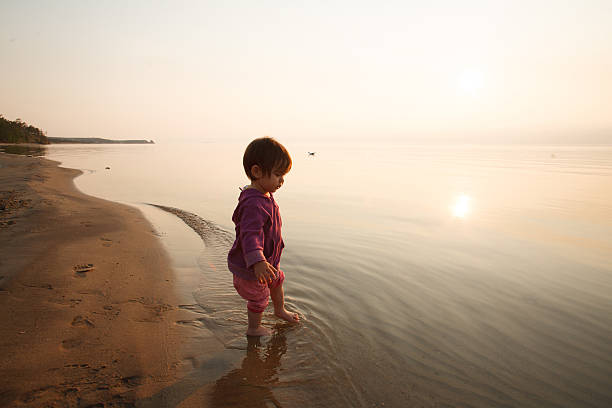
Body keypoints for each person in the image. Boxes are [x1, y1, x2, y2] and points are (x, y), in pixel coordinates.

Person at [227, 137, 300, 336]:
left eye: (283, 175)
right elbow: (250, 234)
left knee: (277, 280)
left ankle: (279, 310)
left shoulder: (263, 194)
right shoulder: (253, 203)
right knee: (259, 298)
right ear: (257, 172)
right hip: (252, 268)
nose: (282, 181)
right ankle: (254, 328)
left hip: (268, 262)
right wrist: (257, 261)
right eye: (278, 175)